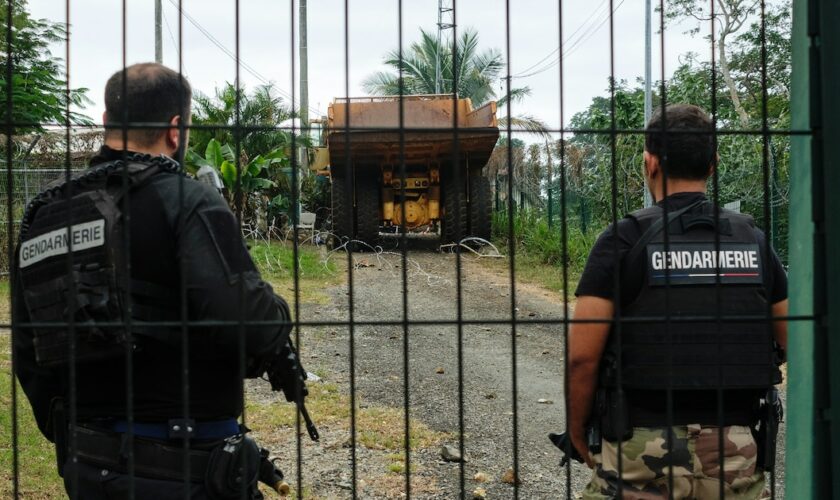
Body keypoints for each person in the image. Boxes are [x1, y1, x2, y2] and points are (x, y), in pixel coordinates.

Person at [13, 63, 295, 498]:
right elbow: (245, 320)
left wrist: (81, 434)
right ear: (176, 128)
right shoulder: (188, 199)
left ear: (106, 122)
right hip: (189, 467)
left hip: (90, 467)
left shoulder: (42, 215)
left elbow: (28, 352)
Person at [566, 104, 788, 499]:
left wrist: (576, 430)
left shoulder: (621, 240)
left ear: (649, 163)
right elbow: (793, 340)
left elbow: (583, 357)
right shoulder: (753, 241)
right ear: (713, 164)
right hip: (733, 450)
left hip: (638, 448)